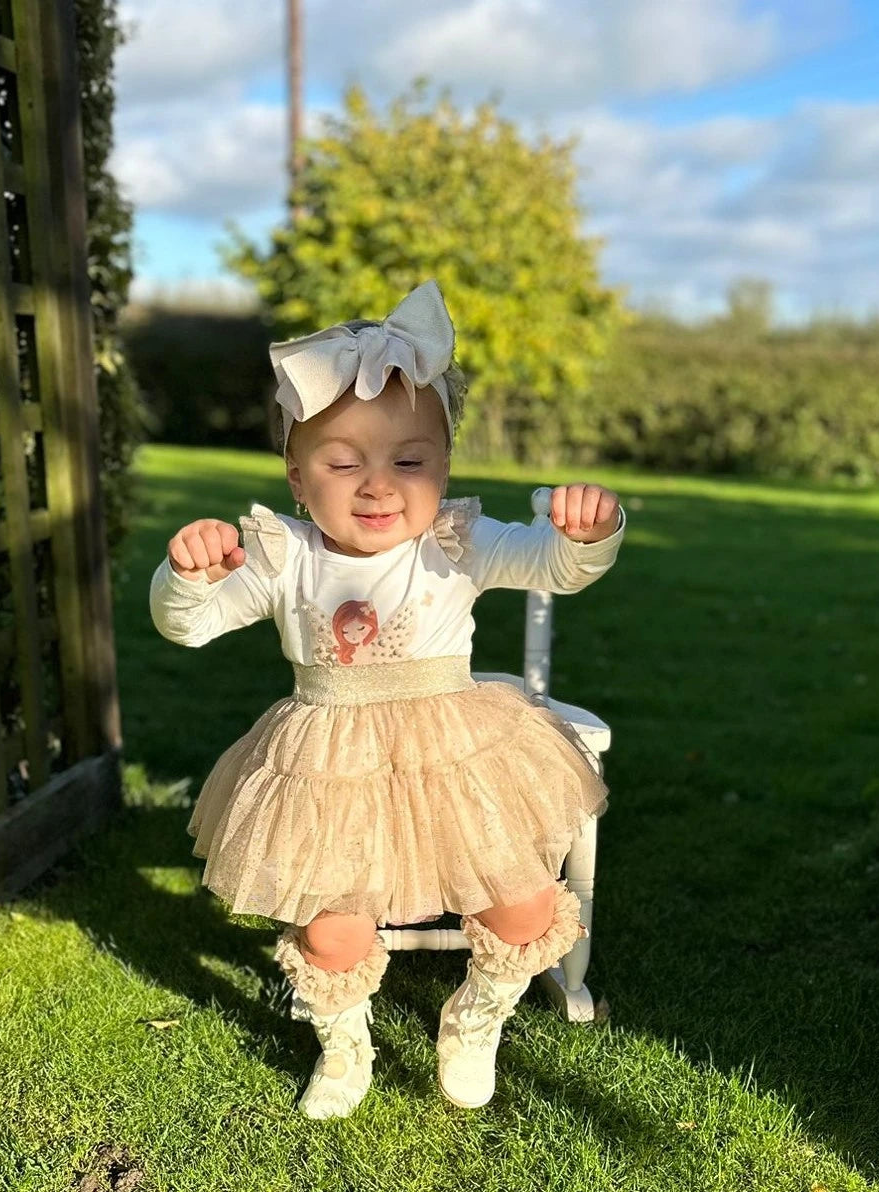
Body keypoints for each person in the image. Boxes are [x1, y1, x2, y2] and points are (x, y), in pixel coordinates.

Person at [149, 280, 626, 1120]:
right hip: (329, 764)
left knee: (523, 904)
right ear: (298, 478)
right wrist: (187, 578)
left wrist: (588, 538)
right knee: (333, 928)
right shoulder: (284, 557)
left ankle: (477, 1015)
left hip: (457, 754)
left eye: (410, 461)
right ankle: (344, 1042)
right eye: (343, 463)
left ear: (443, 468)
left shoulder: (456, 543)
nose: (378, 487)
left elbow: (553, 567)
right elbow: (190, 626)